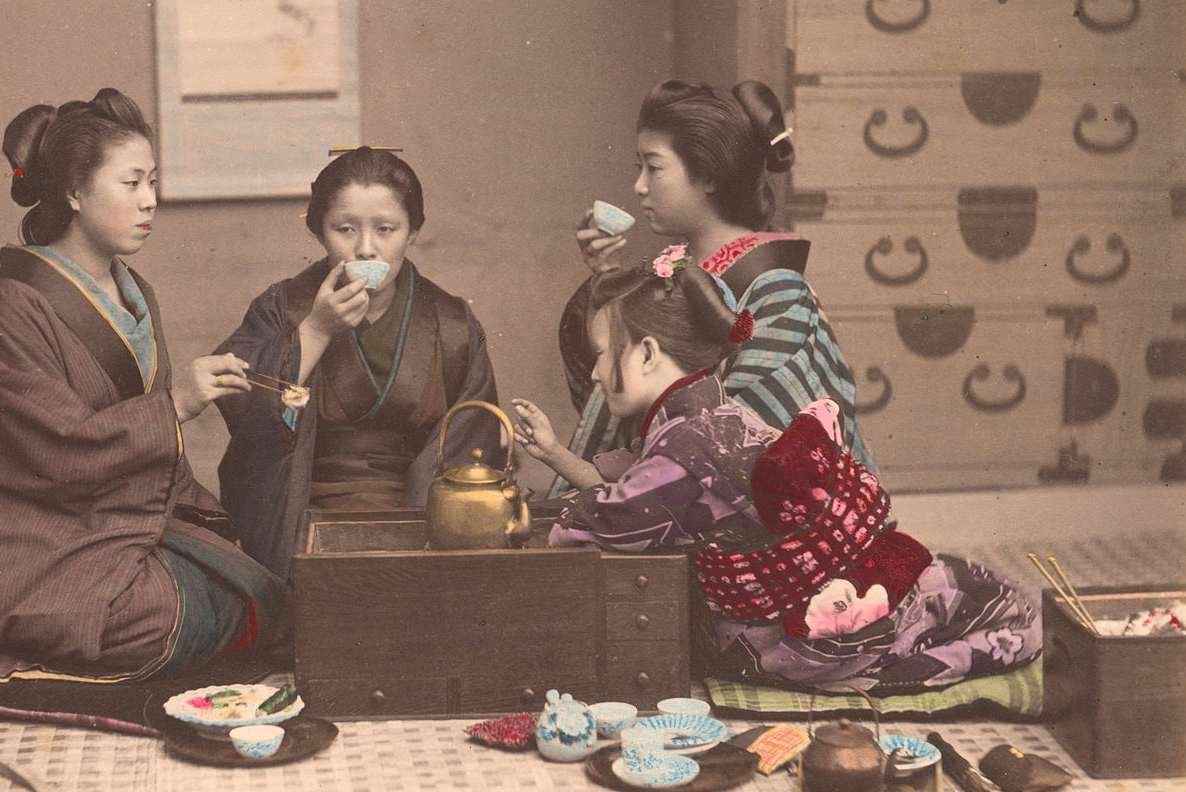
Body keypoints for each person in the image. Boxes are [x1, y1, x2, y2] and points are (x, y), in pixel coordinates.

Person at [513, 259, 1039, 696]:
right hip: (811, 598)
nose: (598, 374)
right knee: (1003, 605)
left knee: (1006, 610)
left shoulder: (686, 445)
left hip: (781, 638)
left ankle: (894, 661)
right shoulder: (714, 417)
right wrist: (557, 455)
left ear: (648, 353)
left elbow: (602, 519)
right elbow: (631, 493)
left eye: (602, 357)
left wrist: (538, 520)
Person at [0, 89, 285, 680]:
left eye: (153, 182)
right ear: (75, 193)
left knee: (250, 585)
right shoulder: (14, 306)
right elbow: (53, 447)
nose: (151, 202)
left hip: (110, 506)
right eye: (131, 184)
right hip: (21, 517)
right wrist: (176, 404)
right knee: (155, 614)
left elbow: (143, 451)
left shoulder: (136, 291)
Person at [559, 79, 874, 477]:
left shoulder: (777, 291)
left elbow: (753, 441)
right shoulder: (682, 269)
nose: (639, 187)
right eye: (639, 169)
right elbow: (623, 387)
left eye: (653, 168)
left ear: (708, 174)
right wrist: (608, 279)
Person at [215, 147, 501, 580]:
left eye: (386, 229)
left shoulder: (452, 322)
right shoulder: (285, 307)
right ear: (318, 231)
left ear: (413, 231)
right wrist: (314, 331)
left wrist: (421, 527)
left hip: (420, 517)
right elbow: (238, 405)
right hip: (299, 517)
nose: (366, 248)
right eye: (344, 229)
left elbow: (474, 441)